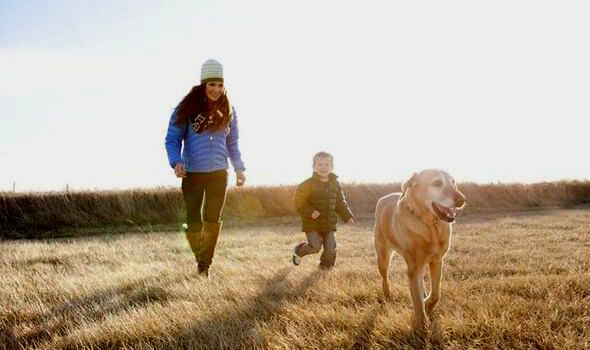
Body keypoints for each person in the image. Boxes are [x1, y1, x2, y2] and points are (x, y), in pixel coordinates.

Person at [165, 58, 246, 277]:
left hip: (219, 173)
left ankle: (205, 266)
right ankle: (200, 257)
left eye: (220, 85)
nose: (216, 89)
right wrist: (176, 161)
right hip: (192, 173)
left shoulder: (229, 110)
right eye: (212, 84)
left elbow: (233, 143)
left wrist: (239, 167)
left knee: (212, 219)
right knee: (193, 220)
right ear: (203, 84)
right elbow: (172, 139)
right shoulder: (186, 109)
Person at [292, 151, 354, 269]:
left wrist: (347, 216)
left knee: (331, 248)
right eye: (320, 164)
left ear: (332, 167)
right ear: (314, 167)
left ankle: (325, 268)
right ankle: (299, 251)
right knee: (315, 247)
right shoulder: (307, 184)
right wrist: (311, 211)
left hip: (328, 223)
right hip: (312, 222)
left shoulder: (335, 184)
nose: (323, 167)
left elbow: (340, 202)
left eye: (326, 165)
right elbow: (298, 201)